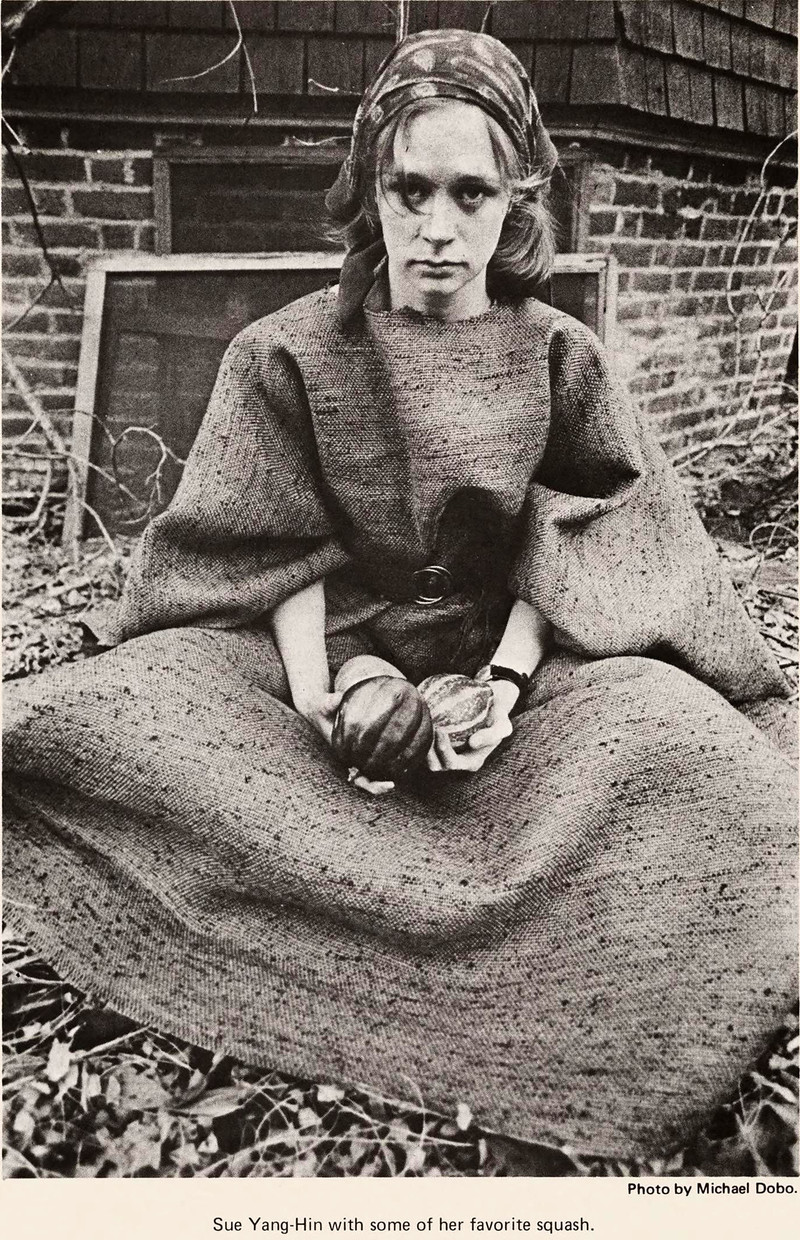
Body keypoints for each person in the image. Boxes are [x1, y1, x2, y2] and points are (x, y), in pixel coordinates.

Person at [4, 30, 796, 1166]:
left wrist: (503, 688)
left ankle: (496, 935)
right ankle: (314, 870)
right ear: (368, 189)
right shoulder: (283, 352)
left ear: (514, 202)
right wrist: (322, 701)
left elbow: (586, 536)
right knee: (109, 712)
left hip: (514, 657)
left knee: (687, 743)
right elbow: (270, 546)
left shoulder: (559, 354)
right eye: (408, 189)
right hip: (325, 646)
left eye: (470, 193)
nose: (436, 227)